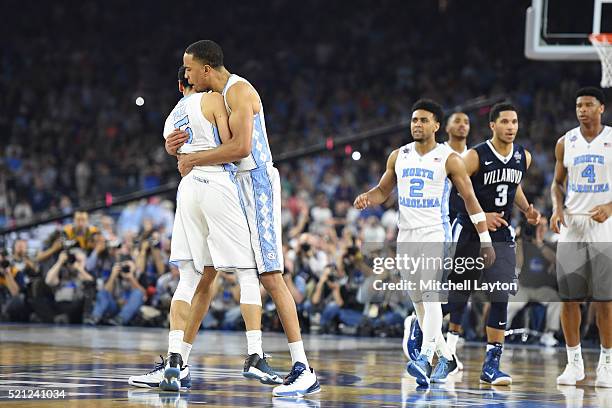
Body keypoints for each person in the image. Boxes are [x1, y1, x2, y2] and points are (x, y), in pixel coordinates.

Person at [167, 40, 320, 397]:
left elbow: (240, 148)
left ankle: (302, 367)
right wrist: (176, 146)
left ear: (206, 69)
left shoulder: (238, 91)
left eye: (189, 69)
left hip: (257, 184)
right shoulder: (216, 98)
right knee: (208, 272)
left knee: (270, 274)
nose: (186, 76)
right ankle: (180, 360)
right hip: (232, 185)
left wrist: (193, 160)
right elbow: (204, 138)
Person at [129, 67, 280, 391]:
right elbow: (233, 145)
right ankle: (255, 354)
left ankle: (174, 360)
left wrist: (182, 152)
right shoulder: (212, 100)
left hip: (187, 190)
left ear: (178, 86)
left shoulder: (171, 119)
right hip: (216, 183)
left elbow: (177, 149)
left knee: (190, 277)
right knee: (247, 272)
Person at [354, 99, 496, 386]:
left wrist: (485, 239)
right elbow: (384, 189)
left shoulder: (449, 158)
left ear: (436, 125)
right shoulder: (399, 155)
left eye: (423, 120)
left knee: (431, 296)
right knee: (419, 302)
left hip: (435, 233)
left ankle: (425, 355)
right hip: (406, 235)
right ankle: (446, 356)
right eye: (414, 120)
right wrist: (368, 196)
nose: (417, 124)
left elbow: (470, 199)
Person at [438, 102, 540, 385]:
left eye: (514, 122)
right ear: (492, 125)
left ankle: (491, 366)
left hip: (502, 234)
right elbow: (456, 193)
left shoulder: (523, 156)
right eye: (504, 122)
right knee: (460, 296)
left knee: (501, 296)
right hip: (471, 231)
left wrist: (527, 209)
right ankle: (421, 323)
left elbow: (514, 185)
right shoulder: (475, 156)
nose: (510, 127)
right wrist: (481, 215)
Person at [551, 86, 612, 388]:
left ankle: (607, 363)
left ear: (601, 108)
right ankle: (573, 362)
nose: (582, 110)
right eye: (578, 105)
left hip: (604, 225)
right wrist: (556, 208)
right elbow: (556, 184)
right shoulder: (566, 142)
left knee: (605, 298)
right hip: (573, 225)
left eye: (588, 104)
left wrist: (611, 206)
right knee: (569, 297)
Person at [403, 111, 471, 370]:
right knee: (426, 297)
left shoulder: (469, 156)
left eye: (466, 122)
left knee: (451, 292)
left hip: (452, 229)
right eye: (458, 121)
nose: (462, 125)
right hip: (427, 228)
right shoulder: (423, 154)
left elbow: (473, 196)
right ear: (446, 126)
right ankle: (444, 353)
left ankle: (432, 353)